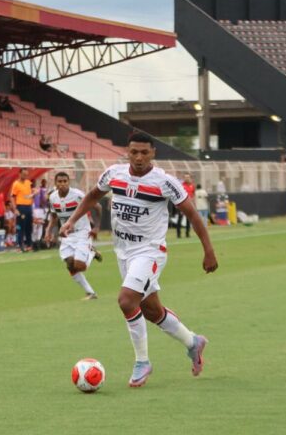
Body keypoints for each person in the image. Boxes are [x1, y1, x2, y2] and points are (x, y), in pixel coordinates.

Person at [59, 132, 218, 388]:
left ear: (153, 153)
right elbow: (91, 196)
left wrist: (208, 251)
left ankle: (142, 362)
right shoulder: (114, 174)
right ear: (127, 152)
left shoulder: (166, 182)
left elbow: (193, 216)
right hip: (123, 251)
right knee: (151, 310)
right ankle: (193, 342)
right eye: (134, 152)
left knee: (126, 300)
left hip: (150, 251)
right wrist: (71, 220)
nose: (139, 157)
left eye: (145, 152)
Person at [44, 172, 104, 300]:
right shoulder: (53, 197)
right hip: (67, 235)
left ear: (68, 182)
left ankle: (92, 253)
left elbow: (98, 207)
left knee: (79, 266)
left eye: (65, 181)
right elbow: (54, 217)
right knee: (70, 265)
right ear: (55, 183)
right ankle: (90, 293)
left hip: (82, 232)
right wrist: (48, 231)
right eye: (59, 182)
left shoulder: (78, 195)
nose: (62, 184)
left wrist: (97, 227)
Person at [11, 168, 34, 252]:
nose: (25, 176)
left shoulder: (28, 183)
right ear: (19, 174)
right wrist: (15, 209)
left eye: (26, 174)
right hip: (21, 207)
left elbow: (32, 192)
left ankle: (29, 245)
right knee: (20, 227)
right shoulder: (16, 184)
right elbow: (12, 197)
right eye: (24, 174)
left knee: (29, 227)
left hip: (29, 207)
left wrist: (34, 193)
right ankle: (19, 246)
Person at [176, 173, 196, 238]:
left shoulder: (192, 186)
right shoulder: (181, 185)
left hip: (190, 205)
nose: (187, 178)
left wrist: (194, 204)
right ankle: (178, 234)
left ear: (190, 178)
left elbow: (193, 195)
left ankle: (187, 234)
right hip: (182, 205)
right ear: (183, 178)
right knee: (180, 219)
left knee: (188, 220)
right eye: (185, 177)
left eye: (188, 177)